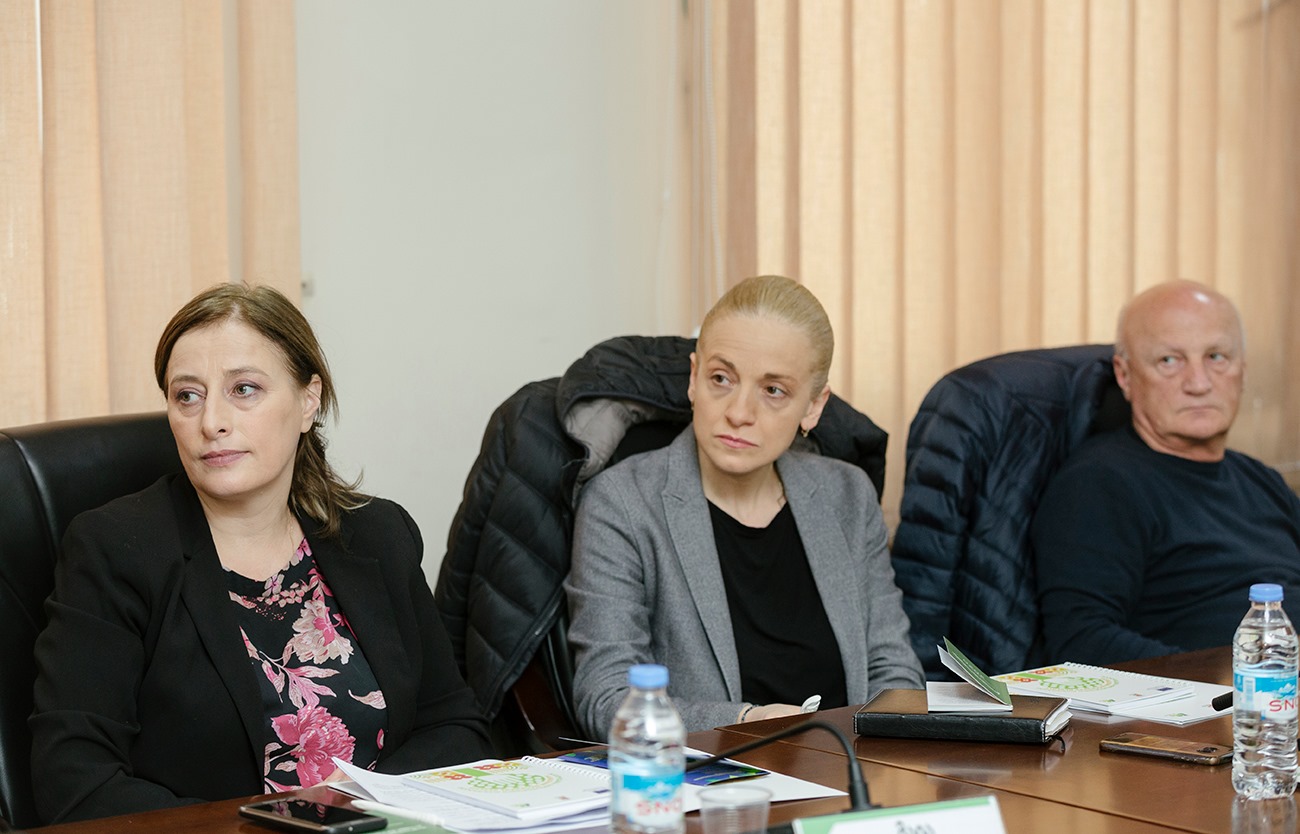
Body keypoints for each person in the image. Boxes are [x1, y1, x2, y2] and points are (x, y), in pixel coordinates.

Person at [30, 284, 492, 823]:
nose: (211, 422)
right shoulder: (114, 551)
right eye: (188, 396)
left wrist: (362, 798)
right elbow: (73, 780)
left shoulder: (377, 535)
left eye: (244, 389)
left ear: (308, 400)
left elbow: (456, 728)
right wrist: (271, 823)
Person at [564, 275, 924, 738]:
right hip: (711, 775)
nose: (738, 413)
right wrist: (748, 723)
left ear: (813, 407)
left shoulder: (847, 495)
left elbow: (894, 670)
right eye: (721, 379)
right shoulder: (622, 504)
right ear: (693, 379)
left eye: (773, 391)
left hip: (849, 769)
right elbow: (607, 698)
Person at [1032, 280, 1300, 665]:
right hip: (1228, 697)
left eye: (1216, 357)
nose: (1199, 383)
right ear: (1124, 376)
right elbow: (1081, 642)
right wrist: (1234, 681)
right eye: (1169, 361)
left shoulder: (1261, 479)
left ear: (1242, 370)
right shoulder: (1100, 483)